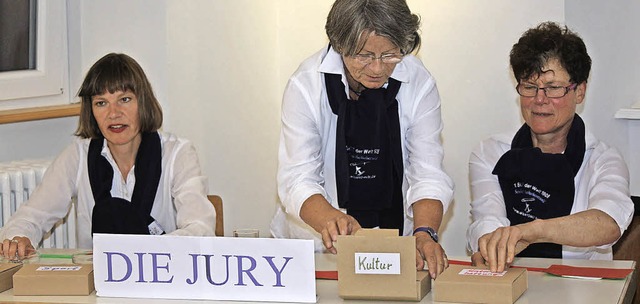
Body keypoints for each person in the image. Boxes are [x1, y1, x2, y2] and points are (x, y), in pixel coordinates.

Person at [271, 0, 454, 278]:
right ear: (339, 44)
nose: (378, 69)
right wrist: (331, 220)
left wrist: (424, 232)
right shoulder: (306, 84)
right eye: (364, 55)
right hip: (317, 250)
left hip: (396, 246)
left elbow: (427, 173)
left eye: (390, 54)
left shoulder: (419, 81)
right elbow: (298, 178)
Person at [0, 53, 216, 259]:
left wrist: (141, 250)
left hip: (162, 279)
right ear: (91, 110)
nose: (113, 113)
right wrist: (18, 238)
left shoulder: (177, 154)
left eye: (124, 99)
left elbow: (201, 230)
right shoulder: (78, 156)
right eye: (101, 103)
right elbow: (30, 216)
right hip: (97, 288)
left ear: (143, 102)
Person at [466, 22, 635, 272]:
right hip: (512, 282)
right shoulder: (490, 152)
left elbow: (607, 223)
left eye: (553, 88)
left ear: (579, 92)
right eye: (529, 87)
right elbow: (488, 218)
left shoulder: (603, 159)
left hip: (585, 288)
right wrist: (490, 243)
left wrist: (534, 230)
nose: (539, 100)